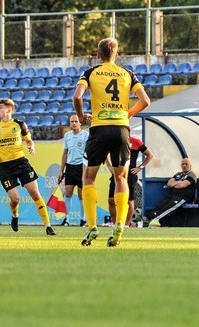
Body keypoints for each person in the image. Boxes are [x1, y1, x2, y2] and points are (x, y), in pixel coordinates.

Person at [74, 38, 150, 247]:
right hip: (121, 129)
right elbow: (145, 100)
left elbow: (77, 96)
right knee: (121, 178)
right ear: (116, 55)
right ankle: (119, 224)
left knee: (88, 178)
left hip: (99, 128)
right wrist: (128, 114)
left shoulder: (90, 73)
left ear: (98, 56)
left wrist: (80, 116)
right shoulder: (128, 74)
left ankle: (92, 227)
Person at [0, 98, 56, 235]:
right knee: (15, 199)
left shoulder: (19, 124)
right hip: (5, 167)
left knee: (36, 195)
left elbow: (29, 141)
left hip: (21, 163)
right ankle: (15, 216)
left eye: (0, 107)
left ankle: (48, 226)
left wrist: (31, 146)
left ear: (8, 110)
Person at [107, 135, 153, 227]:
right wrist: (109, 166)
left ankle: (126, 225)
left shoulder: (135, 141)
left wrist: (140, 167)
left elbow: (150, 155)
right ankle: (116, 223)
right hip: (117, 173)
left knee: (129, 201)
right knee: (111, 200)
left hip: (130, 175)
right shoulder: (114, 139)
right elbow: (104, 153)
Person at [144, 158, 197, 227]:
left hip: (182, 197)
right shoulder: (178, 174)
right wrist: (179, 182)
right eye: (183, 164)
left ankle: (156, 220)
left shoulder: (192, 175)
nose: (184, 165)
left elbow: (182, 185)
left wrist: (176, 183)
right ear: (180, 165)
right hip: (172, 195)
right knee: (160, 206)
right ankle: (149, 218)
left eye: (186, 164)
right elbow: (169, 183)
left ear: (190, 166)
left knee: (169, 208)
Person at [59, 115, 88, 227]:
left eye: (76, 121)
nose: (74, 123)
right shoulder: (67, 136)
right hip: (70, 167)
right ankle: (66, 219)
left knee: (81, 194)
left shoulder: (86, 135)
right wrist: (61, 170)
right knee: (68, 193)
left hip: (82, 167)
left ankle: (83, 219)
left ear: (80, 123)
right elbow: (65, 153)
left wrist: (86, 169)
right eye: (72, 122)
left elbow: (88, 153)